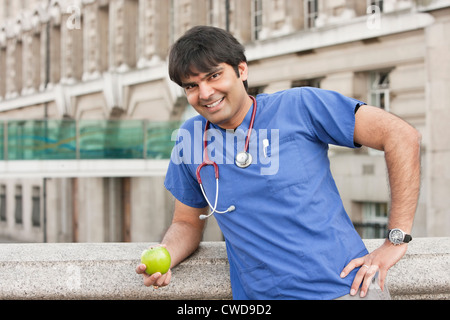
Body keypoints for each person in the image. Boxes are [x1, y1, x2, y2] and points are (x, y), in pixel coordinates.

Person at [136, 26, 421, 300]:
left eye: (213, 76)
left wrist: (396, 239)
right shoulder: (190, 136)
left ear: (241, 69)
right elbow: (186, 222)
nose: (206, 92)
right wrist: (166, 258)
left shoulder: (300, 105)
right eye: (192, 85)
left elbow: (400, 135)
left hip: (344, 288)